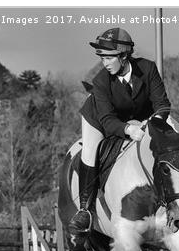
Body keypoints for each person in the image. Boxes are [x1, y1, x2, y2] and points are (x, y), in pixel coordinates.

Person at [68, 27, 172, 235]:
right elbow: (108, 121)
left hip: (141, 119)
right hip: (99, 118)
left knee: (171, 140)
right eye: (102, 58)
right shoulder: (101, 81)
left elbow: (162, 105)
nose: (104, 63)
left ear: (124, 56)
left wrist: (155, 124)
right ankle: (85, 211)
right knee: (91, 150)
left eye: (109, 58)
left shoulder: (148, 69)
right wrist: (129, 129)